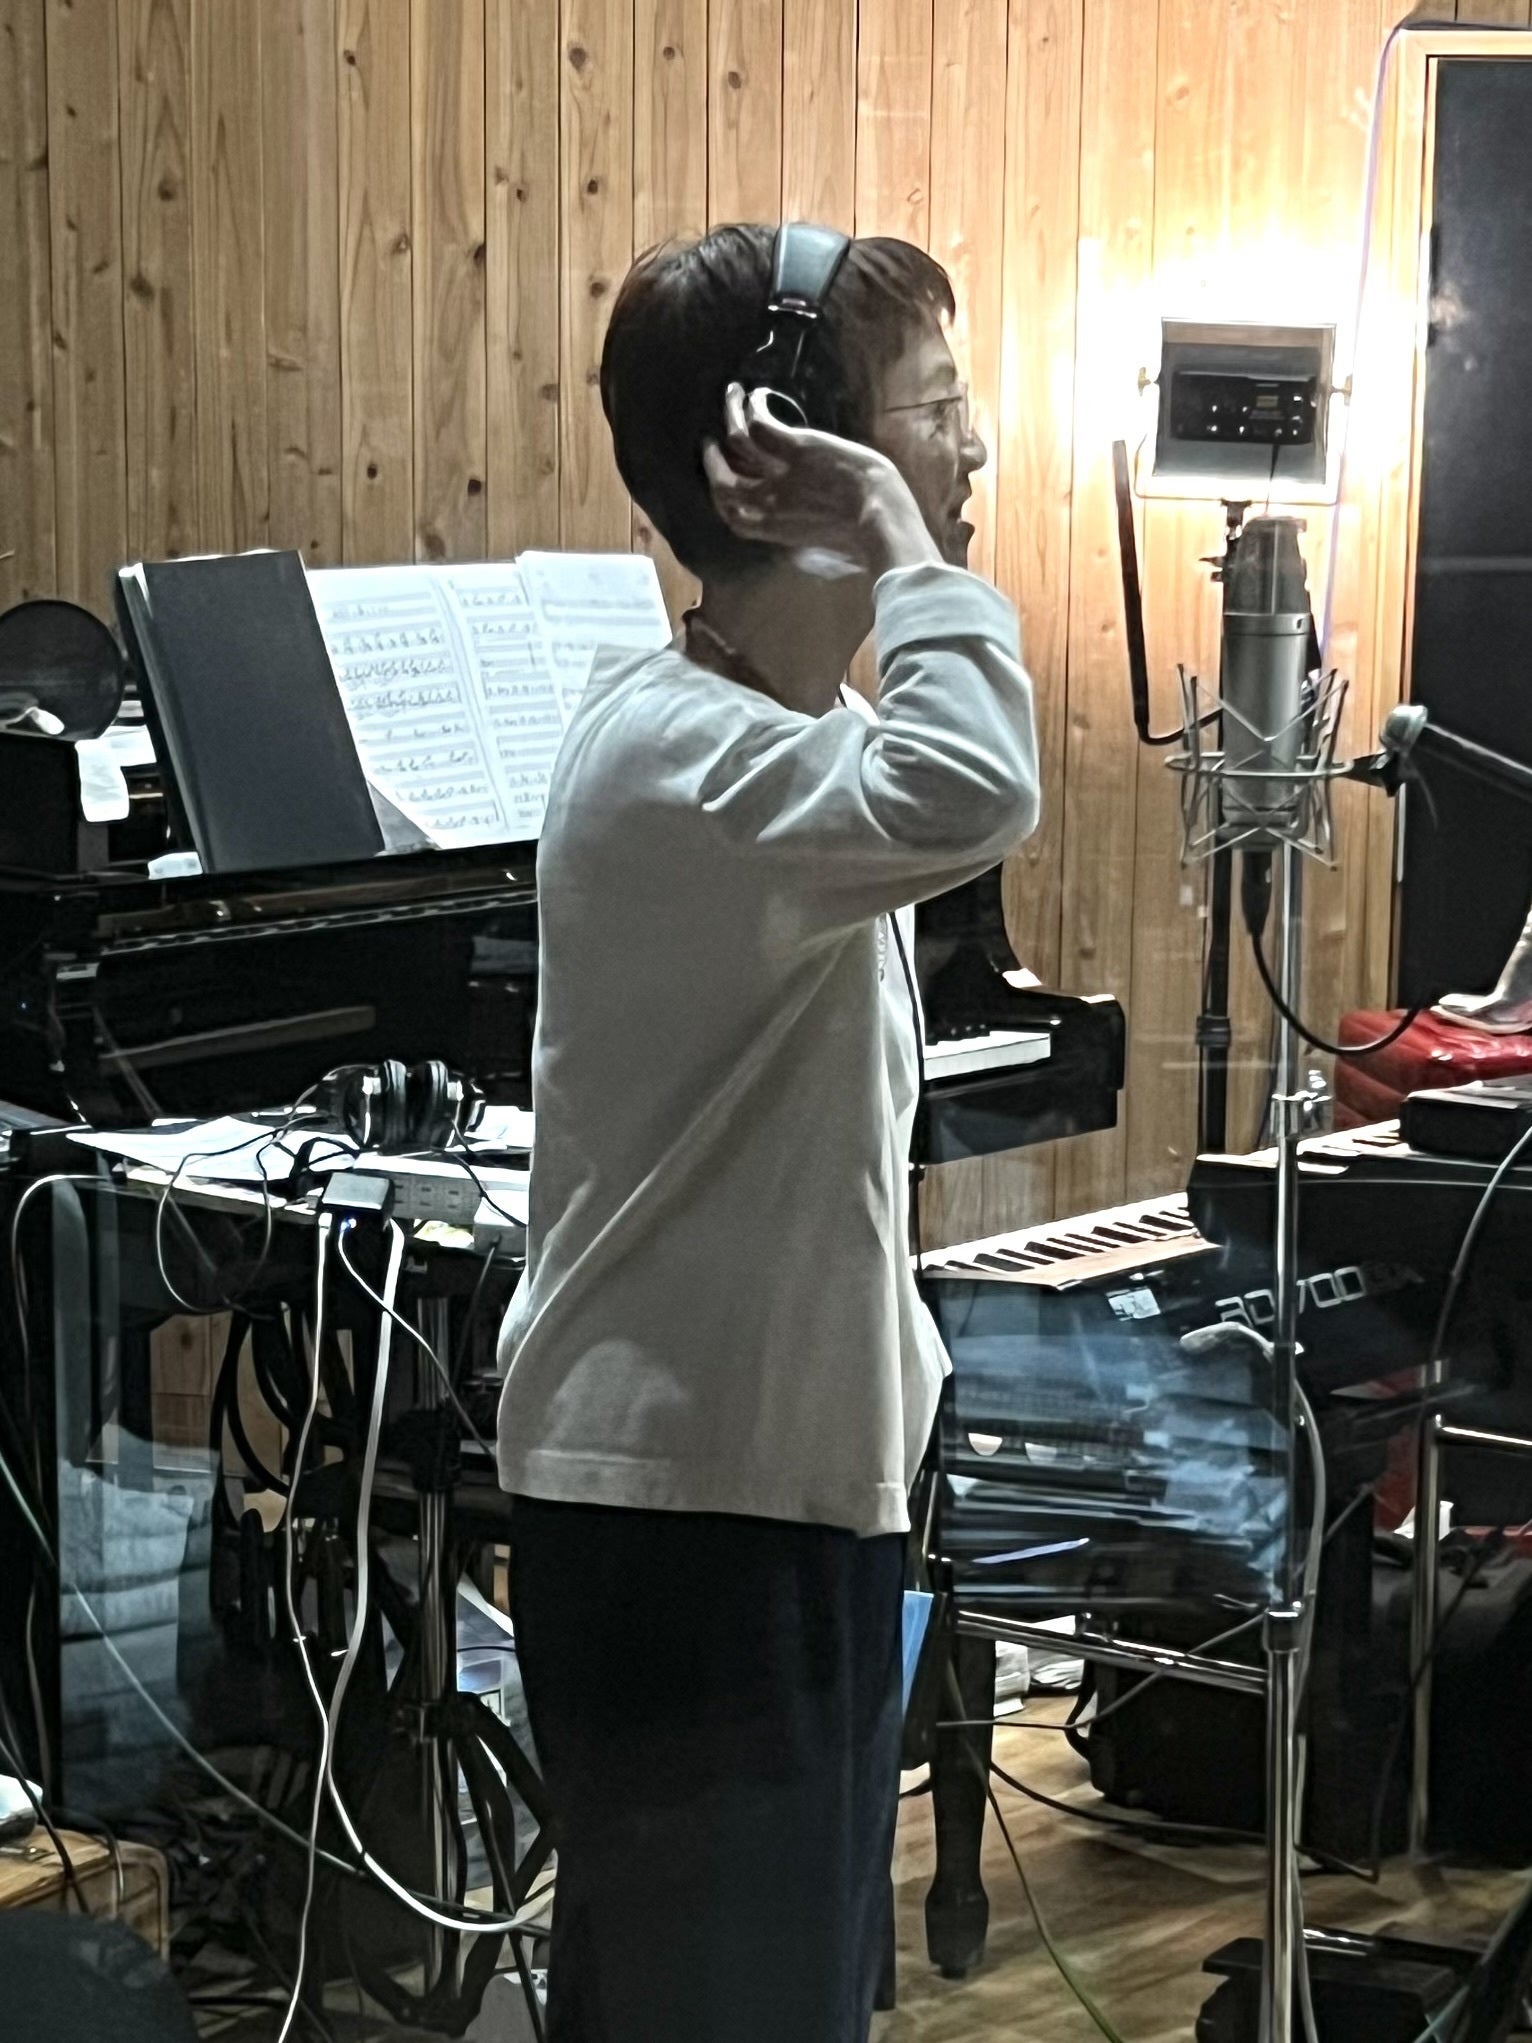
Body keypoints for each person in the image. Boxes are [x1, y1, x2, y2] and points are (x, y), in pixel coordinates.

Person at [497, 223, 1039, 2043]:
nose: (973, 448)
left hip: (763, 1491)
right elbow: (980, 786)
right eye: (933, 411)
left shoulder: (779, 732)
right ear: (781, 449)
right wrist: (898, 535)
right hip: (689, 1514)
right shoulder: (682, 756)